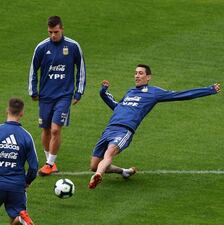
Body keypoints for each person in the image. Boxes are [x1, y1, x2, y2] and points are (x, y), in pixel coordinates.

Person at [88, 64, 221, 189]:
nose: (137, 76)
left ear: (148, 77)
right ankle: (124, 171)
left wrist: (208, 90)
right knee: (94, 165)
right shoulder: (130, 92)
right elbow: (118, 107)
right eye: (135, 73)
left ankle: (98, 175)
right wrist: (103, 93)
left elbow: (181, 95)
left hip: (124, 130)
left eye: (140, 73)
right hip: (109, 129)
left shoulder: (154, 92)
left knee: (109, 153)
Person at [28, 15, 86, 176]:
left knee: (55, 130)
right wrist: (32, 90)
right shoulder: (41, 47)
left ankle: (49, 163)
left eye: (56, 32)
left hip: (64, 96)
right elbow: (33, 69)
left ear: (62, 29)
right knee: (46, 129)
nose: (53, 35)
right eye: (50, 32)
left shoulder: (73, 46)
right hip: (45, 95)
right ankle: (50, 162)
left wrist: (79, 92)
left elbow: (81, 69)